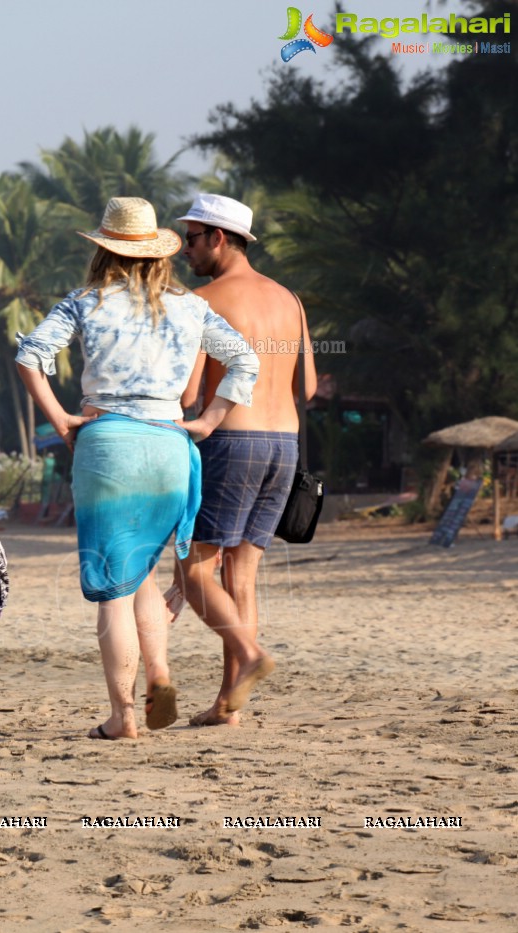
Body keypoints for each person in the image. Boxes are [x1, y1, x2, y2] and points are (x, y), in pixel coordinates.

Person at [15, 197, 259, 741]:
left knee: (112, 588)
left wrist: (60, 419)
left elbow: (30, 355)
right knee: (144, 569)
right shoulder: (189, 306)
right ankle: (159, 675)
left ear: (104, 249)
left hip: (110, 447)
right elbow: (246, 358)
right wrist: (210, 420)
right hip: (171, 447)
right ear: (157, 253)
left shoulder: (84, 301)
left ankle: (123, 715)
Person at [175, 193, 316, 726]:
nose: (184, 251)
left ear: (217, 238)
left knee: (194, 570)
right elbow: (310, 384)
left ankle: (250, 658)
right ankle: (227, 705)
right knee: (243, 578)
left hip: (231, 442)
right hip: (285, 442)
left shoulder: (203, 300)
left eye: (190, 239)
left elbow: (190, 393)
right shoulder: (290, 300)